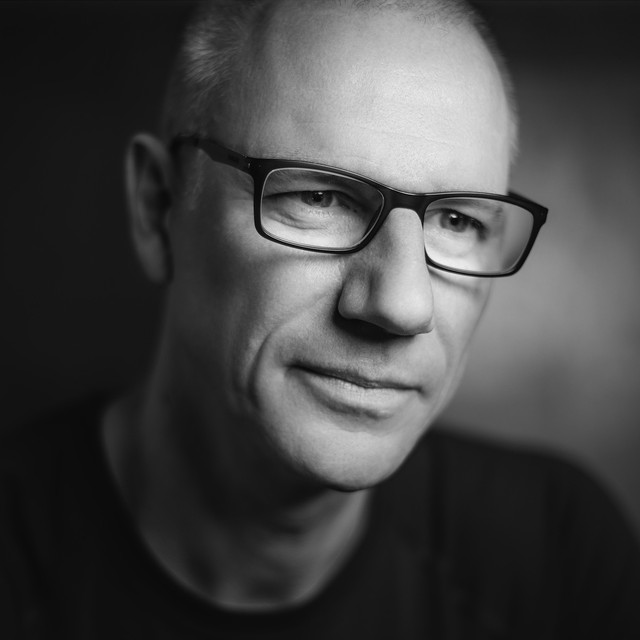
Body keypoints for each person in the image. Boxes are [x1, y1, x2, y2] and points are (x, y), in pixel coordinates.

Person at [1, 0, 639, 637]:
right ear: (158, 207)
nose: (401, 305)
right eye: (319, 197)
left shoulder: (557, 559)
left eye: (457, 220)